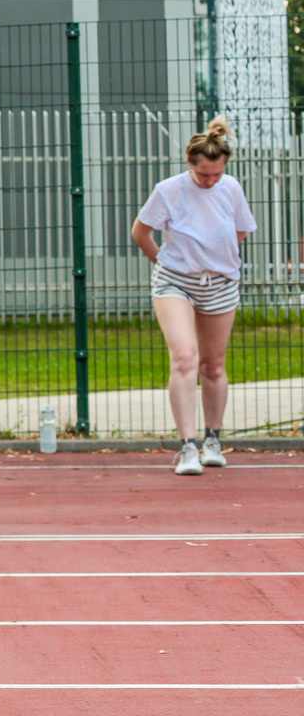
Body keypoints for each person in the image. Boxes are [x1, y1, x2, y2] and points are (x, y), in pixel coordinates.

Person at [132, 117, 256, 476]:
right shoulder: (169, 189)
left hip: (220, 283)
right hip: (175, 282)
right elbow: (141, 231)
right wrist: (164, 260)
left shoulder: (230, 188)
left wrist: (215, 258)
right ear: (191, 164)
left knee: (213, 365)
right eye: (204, 175)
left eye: (217, 174)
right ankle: (187, 447)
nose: (211, 181)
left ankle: (212, 440)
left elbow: (241, 229)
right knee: (185, 357)